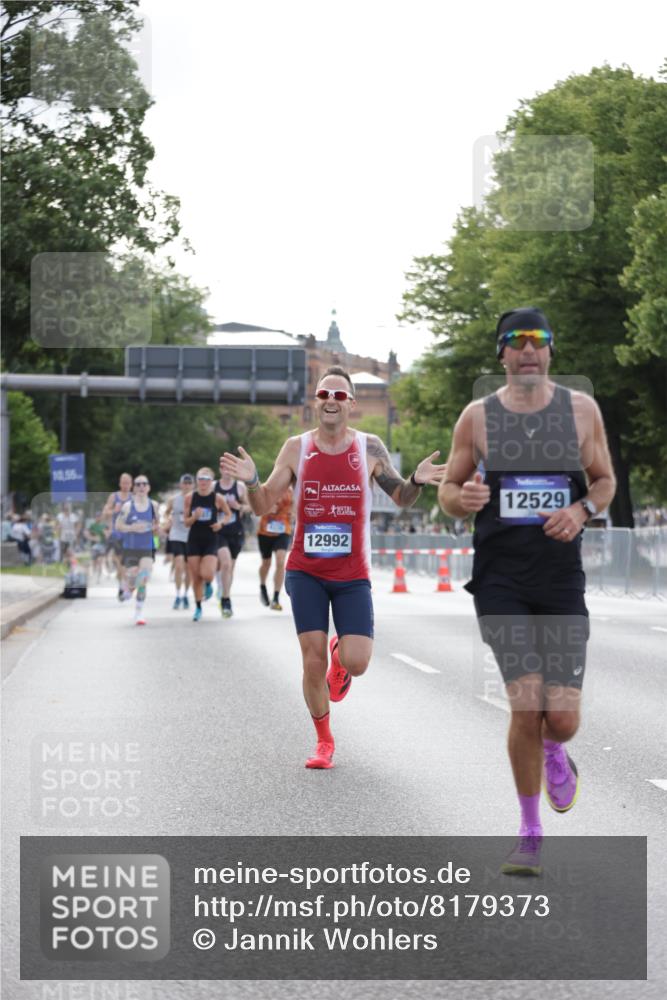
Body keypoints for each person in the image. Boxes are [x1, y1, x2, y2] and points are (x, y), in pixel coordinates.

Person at [438, 307, 616, 875]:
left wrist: (582, 509)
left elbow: (606, 480)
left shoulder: (581, 411)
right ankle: (529, 830)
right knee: (526, 701)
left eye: (538, 340)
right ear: (502, 355)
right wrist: (458, 498)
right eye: (516, 342)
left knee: (560, 718)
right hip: (501, 580)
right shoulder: (478, 418)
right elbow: (447, 486)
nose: (528, 350)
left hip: (560, 580)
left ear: (550, 351)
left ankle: (555, 748)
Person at [222, 365, 446, 770]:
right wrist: (252, 481)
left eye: (339, 396)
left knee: (358, 662)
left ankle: (341, 657)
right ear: (315, 400)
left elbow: (402, 498)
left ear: (351, 405)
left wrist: (415, 478)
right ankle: (324, 740)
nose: (331, 401)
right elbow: (262, 505)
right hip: (305, 571)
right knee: (311, 662)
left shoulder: (369, 447)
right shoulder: (295, 447)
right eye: (325, 394)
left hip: (351, 574)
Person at [184, 467, 232, 622]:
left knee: (207, 574)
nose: (203, 482)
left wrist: (221, 524)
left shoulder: (217, 498)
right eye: (200, 479)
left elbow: (228, 514)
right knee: (196, 576)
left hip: (211, 538)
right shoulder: (190, 498)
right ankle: (198, 608)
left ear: (212, 481)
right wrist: (194, 517)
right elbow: (186, 522)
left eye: (206, 479)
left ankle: (209, 583)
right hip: (194, 539)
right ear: (196, 481)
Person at [115, 475, 159, 625]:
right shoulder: (128, 506)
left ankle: (139, 613)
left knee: (144, 578)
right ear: (134, 488)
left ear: (148, 487)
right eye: (138, 484)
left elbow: (157, 525)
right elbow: (118, 525)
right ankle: (126, 586)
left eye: (144, 484)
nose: (141, 486)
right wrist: (131, 527)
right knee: (133, 579)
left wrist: (156, 528)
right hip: (131, 548)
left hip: (147, 548)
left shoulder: (154, 505)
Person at [214, 460, 250, 618]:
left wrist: (238, 507)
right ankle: (226, 600)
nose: (227, 471)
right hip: (218, 531)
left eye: (230, 469)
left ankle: (224, 590)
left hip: (236, 532)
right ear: (220, 470)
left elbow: (251, 508)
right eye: (224, 468)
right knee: (226, 563)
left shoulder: (240, 487)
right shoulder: (214, 486)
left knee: (230, 568)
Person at [257, 486, 294, 610]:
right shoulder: (266, 488)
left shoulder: (292, 491)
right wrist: (266, 509)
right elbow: (255, 508)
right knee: (266, 563)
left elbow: (295, 509)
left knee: (280, 561)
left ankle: (276, 598)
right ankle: (262, 586)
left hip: (283, 530)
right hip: (265, 532)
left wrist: (293, 513)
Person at [164, 474, 194, 610]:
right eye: (184, 483)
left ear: (192, 485)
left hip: (191, 536)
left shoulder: (196, 498)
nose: (187, 486)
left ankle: (186, 595)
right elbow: (166, 513)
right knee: (179, 565)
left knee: (188, 569)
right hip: (176, 535)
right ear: (181, 485)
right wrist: (168, 520)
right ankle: (177, 594)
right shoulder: (173, 500)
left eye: (189, 483)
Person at [102, 473, 133, 600]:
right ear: (120, 483)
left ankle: (123, 584)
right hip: (118, 534)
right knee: (121, 563)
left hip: (131, 534)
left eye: (128, 483)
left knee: (128, 564)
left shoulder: (134, 497)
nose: (125, 485)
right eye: (123, 482)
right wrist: (114, 510)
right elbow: (105, 513)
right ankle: (122, 586)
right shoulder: (114, 497)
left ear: (131, 484)